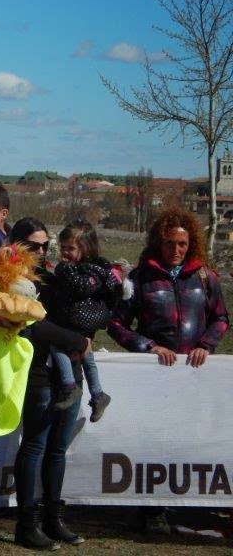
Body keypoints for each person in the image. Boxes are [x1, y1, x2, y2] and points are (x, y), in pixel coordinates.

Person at [108, 207, 228, 534]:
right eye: (170, 243)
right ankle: (151, 509)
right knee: (154, 441)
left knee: (191, 439)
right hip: (154, 377)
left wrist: (206, 345)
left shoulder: (206, 278)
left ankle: (191, 503)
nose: (176, 249)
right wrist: (148, 346)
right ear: (158, 242)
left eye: (182, 244)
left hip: (193, 376)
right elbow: (116, 324)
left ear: (191, 244)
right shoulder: (139, 279)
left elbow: (220, 318)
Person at [11, 217, 91, 551]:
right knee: (34, 446)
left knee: (58, 448)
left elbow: (76, 312)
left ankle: (53, 518)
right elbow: (31, 324)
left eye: (46, 245)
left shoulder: (53, 276)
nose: (42, 251)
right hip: (37, 372)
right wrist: (76, 339)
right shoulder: (9, 278)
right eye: (34, 245)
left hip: (69, 371)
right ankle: (26, 523)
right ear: (17, 244)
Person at [47, 221, 117, 421]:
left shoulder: (88, 271)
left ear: (86, 248)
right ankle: (98, 393)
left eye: (71, 248)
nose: (65, 253)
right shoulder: (87, 269)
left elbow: (82, 287)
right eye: (63, 248)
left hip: (78, 320)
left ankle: (70, 385)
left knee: (57, 345)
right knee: (87, 356)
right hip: (79, 320)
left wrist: (64, 269)